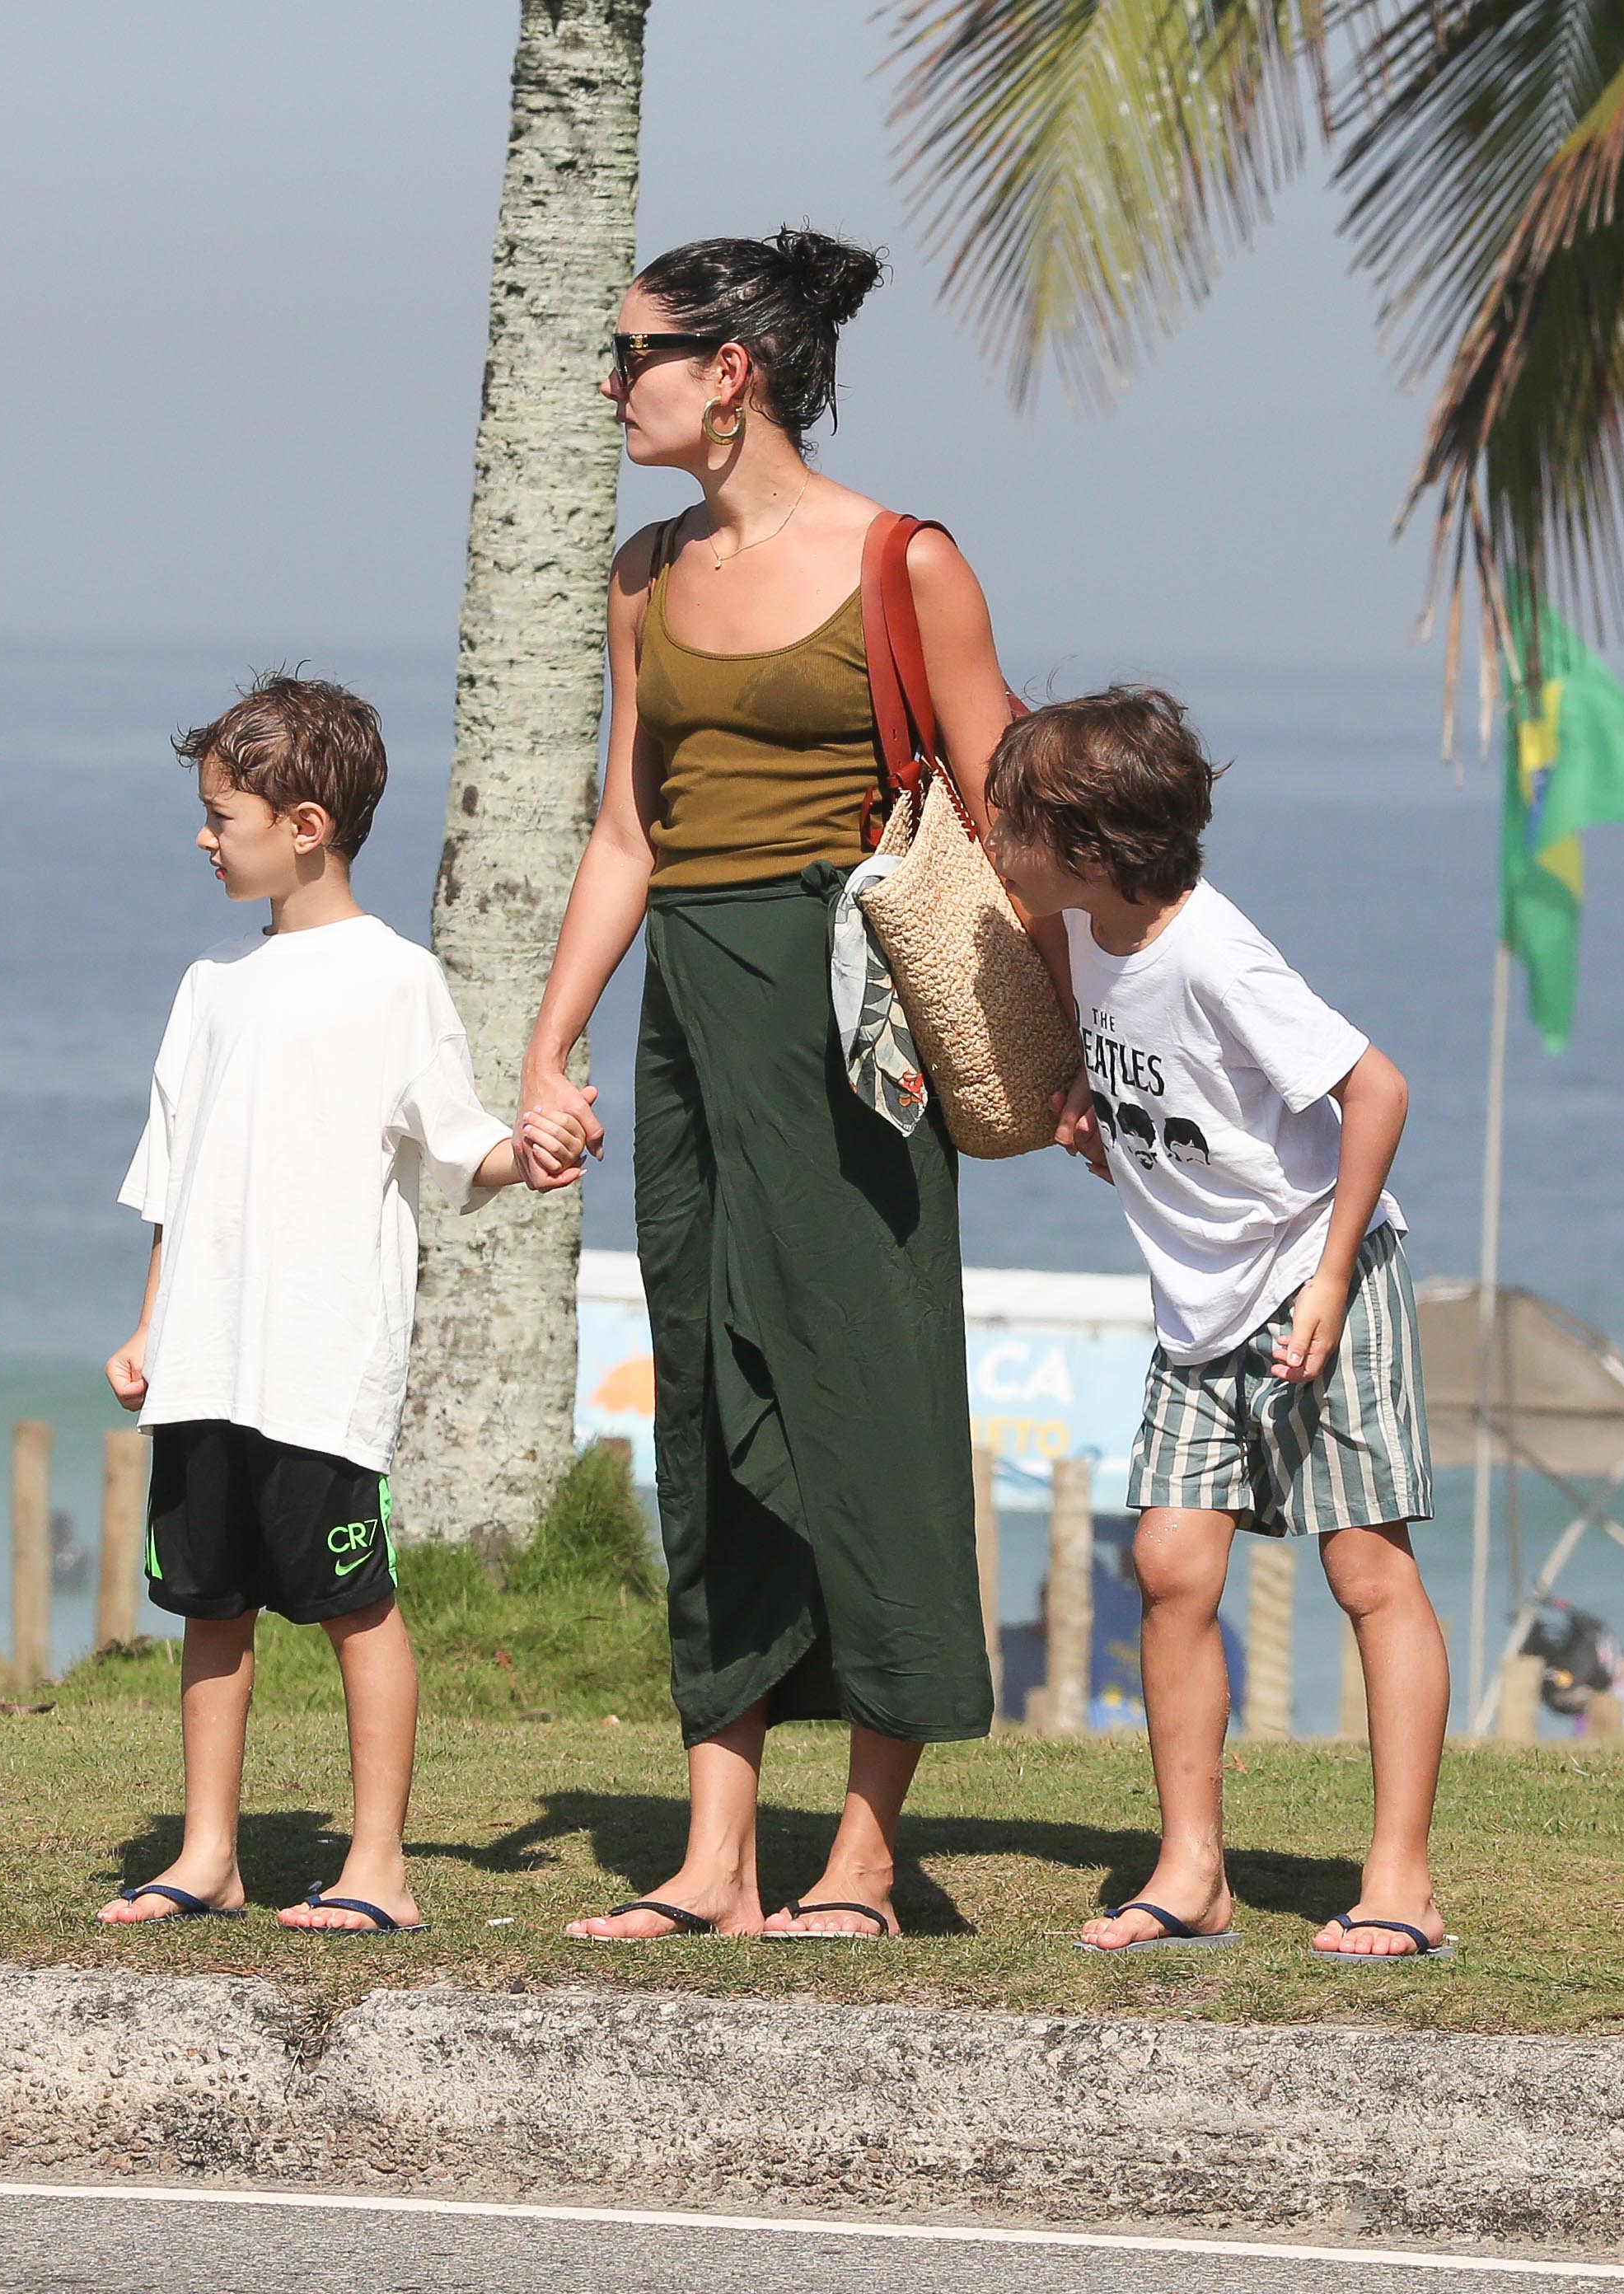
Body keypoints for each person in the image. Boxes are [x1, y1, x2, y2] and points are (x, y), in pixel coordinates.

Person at [516, 228, 1040, 1943]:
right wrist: (551, 1042)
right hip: (692, 1018)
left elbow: (1011, 811)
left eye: (635, 357)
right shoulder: (640, 573)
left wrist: (1091, 1043)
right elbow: (625, 833)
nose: (612, 386)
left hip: (854, 1026)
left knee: (867, 1404)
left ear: (727, 369)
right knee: (710, 1411)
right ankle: (718, 1857)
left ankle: (868, 1859)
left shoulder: (907, 560)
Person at [981, 687, 1452, 1960]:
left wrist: (1334, 1278)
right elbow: (1148, 1075)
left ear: (1090, 847)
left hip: (1311, 1279)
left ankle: (1400, 1881)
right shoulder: (1080, 935)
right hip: (1196, 1308)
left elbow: (1377, 1089)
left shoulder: (1214, 951)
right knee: (1172, 1570)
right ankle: (1191, 1871)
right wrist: (1095, 1110)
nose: (995, 835)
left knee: (1367, 1572)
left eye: (1015, 820)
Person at [98, 674, 573, 1936]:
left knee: (356, 1609)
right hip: (204, 1358)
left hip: (318, 1365)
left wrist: (536, 1153)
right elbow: (170, 1178)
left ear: (305, 824)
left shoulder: (394, 979)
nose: (205, 838)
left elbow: (461, 1142)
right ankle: (208, 1854)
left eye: (223, 816)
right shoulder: (210, 987)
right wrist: (150, 1327)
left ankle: (379, 1868)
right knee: (208, 1608)